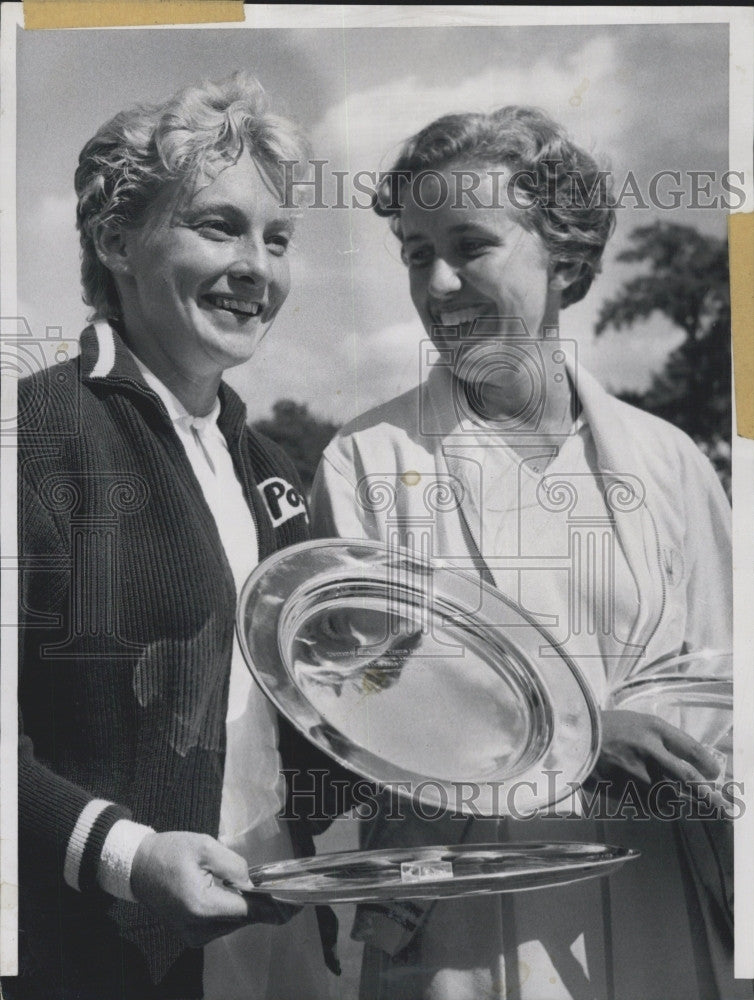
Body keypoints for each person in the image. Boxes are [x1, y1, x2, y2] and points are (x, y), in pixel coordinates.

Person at [311, 107, 749, 999]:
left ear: (565, 255)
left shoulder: (671, 462)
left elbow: (726, 691)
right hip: (458, 935)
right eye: (413, 252)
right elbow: (360, 718)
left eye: (471, 245)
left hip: (661, 910)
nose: (438, 284)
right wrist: (585, 743)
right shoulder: (365, 461)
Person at [9, 73, 346, 1000]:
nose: (258, 267)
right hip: (102, 962)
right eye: (218, 226)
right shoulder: (32, 438)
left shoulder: (276, 469)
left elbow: (305, 731)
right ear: (115, 240)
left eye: (277, 239)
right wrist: (126, 855)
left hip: (282, 945)